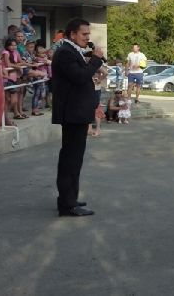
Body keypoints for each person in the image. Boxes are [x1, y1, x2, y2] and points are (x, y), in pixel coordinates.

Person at [51, 17, 104, 217]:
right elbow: (80, 77)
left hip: (77, 112)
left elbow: (81, 78)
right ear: (72, 34)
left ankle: (69, 198)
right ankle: (67, 204)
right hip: (72, 114)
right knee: (71, 159)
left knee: (73, 158)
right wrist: (96, 60)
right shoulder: (65, 52)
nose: (88, 37)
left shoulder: (73, 51)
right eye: (84, 34)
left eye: (89, 34)